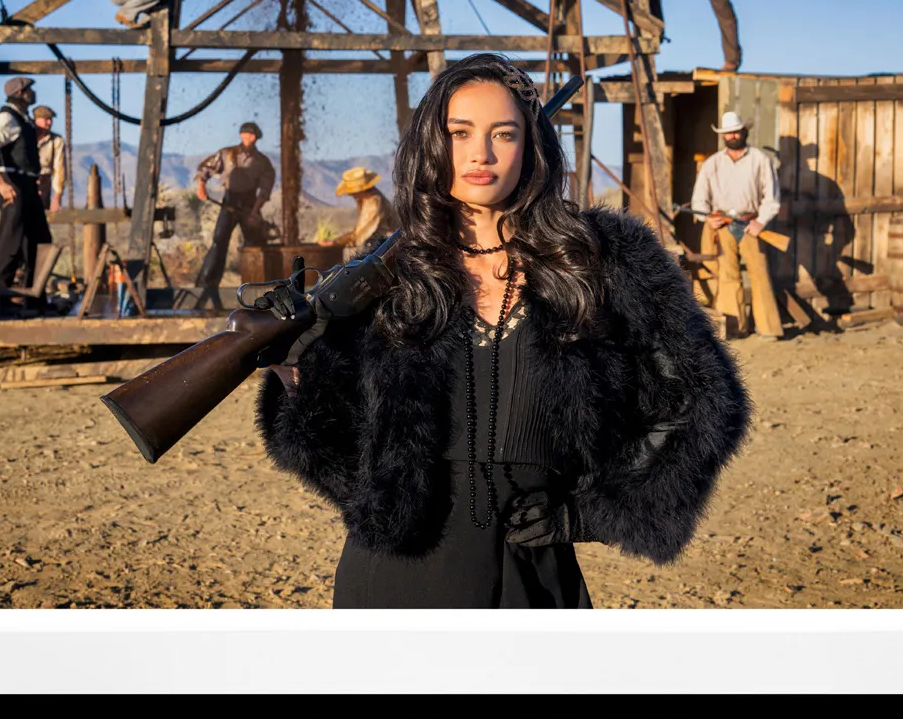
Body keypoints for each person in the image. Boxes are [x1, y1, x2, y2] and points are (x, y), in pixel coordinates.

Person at [253, 53, 752, 609]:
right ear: (431, 145)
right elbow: (343, 461)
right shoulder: (383, 279)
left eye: (504, 134)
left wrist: (592, 511)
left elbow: (704, 400)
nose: (481, 154)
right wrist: (298, 376)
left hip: (534, 574)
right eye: (460, 132)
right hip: (396, 577)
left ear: (531, 145)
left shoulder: (601, 259)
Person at [690, 110, 783, 340]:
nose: (732, 135)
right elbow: (699, 200)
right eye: (727, 132)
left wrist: (760, 221)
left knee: (759, 274)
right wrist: (707, 218)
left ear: (743, 131)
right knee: (728, 276)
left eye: (735, 131)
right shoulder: (712, 163)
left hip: (751, 224)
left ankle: (768, 328)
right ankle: (734, 328)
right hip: (722, 226)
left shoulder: (760, 160)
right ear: (723, 136)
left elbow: (772, 198)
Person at [0, 77, 52, 290]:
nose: (33, 92)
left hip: (28, 185)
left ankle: (33, 296)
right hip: (14, 184)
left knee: (39, 241)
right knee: (11, 242)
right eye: (29, 89)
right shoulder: (6, 119)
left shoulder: (23, 119)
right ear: (20, 93)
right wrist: (1, 184)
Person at [193, 121, 277, 287]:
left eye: (252, 135)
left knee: (255, 243)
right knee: (220, 239)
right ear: (241, 135)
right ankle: (206, 285)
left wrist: (254, 212)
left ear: (256, 138)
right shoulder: (227, 154)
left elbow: (265, 190)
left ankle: (257, 284)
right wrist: (201, 186)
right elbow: (205, 168)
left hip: (250, 203)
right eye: (246, 134)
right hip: (230, 200)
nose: (249, 138)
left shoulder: (262, 162)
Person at [319, 166, 400, 264]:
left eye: (352, 193)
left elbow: (361, 235)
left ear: (360, 190)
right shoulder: (367, 201)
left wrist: (335, 243)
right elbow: (358, 232)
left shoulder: (374, 203)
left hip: (385, 247)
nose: (351, 196)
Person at [31, 105, 67, 212]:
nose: (49, 123)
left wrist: (57, 197)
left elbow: (59, 168)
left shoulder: (56, 140)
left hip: (44, 182)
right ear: (36, 120)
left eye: (50, 119)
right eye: (46, 119)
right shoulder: (26, 136)